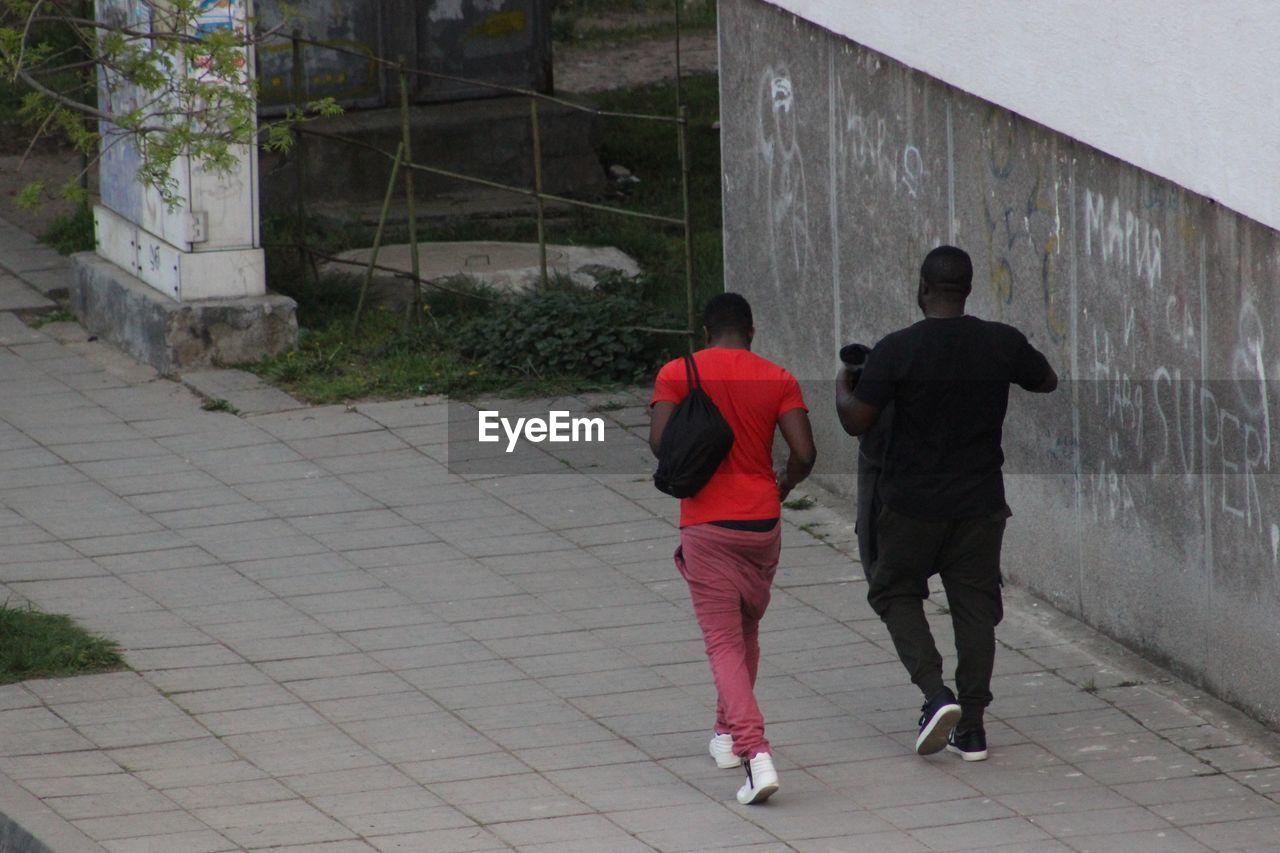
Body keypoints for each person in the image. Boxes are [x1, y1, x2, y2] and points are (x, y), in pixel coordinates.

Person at [835, 246, 1057, 761]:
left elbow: (855, 421)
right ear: (969, 287)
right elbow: (1045, 380)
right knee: (976, 611)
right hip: (980, 505)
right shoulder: (999, 342)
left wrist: (844, 388)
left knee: (893, 591)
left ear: (922, 288)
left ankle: (937, 695)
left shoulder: (896, 351)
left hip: (911, 506)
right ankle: (973, 727)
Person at [650, 292, 816, 804]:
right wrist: (783, 484)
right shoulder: (778, 377)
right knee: (744, 630)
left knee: (723, 642)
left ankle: (754, 753)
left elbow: (659, 443)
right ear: (751, 331)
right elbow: (805, 452)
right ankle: (725, 735)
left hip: (707, 521)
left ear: (705, 332)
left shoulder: (677, 373)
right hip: (762, 523)